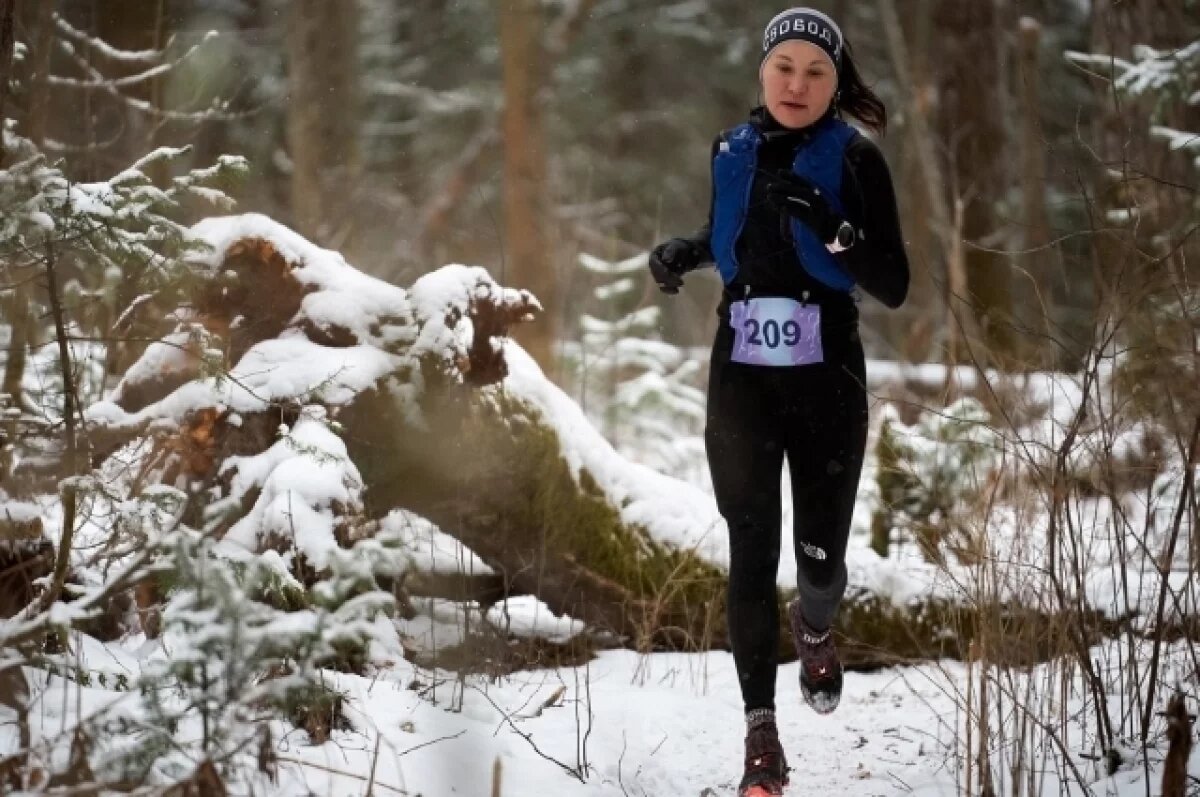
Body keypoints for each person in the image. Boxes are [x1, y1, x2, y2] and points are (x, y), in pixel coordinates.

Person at [647, 7, 910, 796]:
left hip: (827, 377)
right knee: (751, 549)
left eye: (816, 71)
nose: (797, 84)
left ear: (835, 82)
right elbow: (734, 232)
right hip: (743, 377)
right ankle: (760, 734)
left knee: (818, 556)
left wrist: (835, 230)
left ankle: (818, 622)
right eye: (784, 67)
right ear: (763, 71)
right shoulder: (730, 148)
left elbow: (893, 283)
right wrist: (688, 251)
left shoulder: (856, 159)